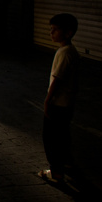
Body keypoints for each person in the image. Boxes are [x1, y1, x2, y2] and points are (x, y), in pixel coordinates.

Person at [39, 13, 80, 183]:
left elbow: (57, 80)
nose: (51, 33)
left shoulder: (64, 53)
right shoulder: (71, 51)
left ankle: (56, 172)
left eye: (55, 30)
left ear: (68, 33)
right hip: (67, 103)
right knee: (62, 135)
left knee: (51, 138)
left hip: (58, 103)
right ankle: (67, 163)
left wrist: (48, 101)